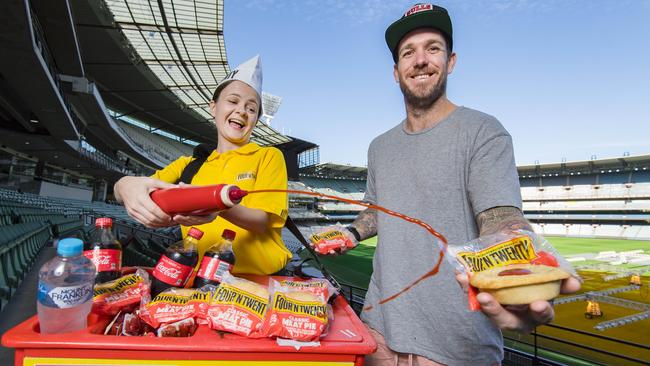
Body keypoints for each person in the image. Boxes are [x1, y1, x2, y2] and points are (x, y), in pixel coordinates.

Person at [312, 4, 580, 365]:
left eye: (432, 48)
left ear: (451, 61)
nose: (420, 60)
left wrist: (519, 261)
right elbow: (377, 212)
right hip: (377, 333)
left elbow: (500, 217)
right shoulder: (379, 146)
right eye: (409, 52)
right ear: (396, 71)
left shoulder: (483, 131)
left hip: (457, 347)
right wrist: (350, 233)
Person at [114, 56, 291, 275]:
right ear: (213, 108)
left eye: (252, 108)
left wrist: (213, 203)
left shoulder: (268, 156)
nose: (242, 111)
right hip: (200, 279)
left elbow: (262, 221)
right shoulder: (188, 166)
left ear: (255, 120)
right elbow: (136, 189)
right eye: (233, 101)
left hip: (259, 281)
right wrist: (124, 185)